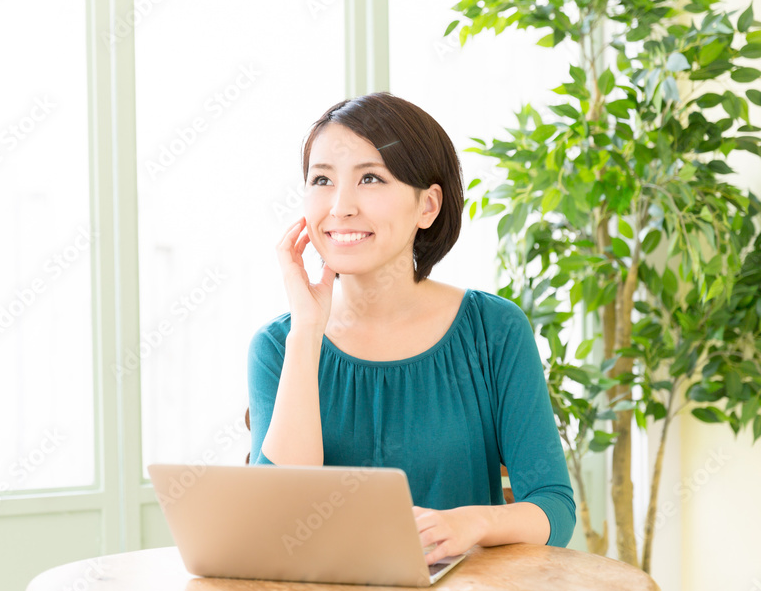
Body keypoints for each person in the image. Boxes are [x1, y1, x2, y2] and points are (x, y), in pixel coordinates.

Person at [246, 91, 576, 566]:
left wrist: (472, 522)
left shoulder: (494, 331)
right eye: (322, 179)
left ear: (428, 206)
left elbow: (553, 508)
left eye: (371, 178)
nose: (339, 207)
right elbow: (278, 521)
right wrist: (307, 331)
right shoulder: (279, 345)